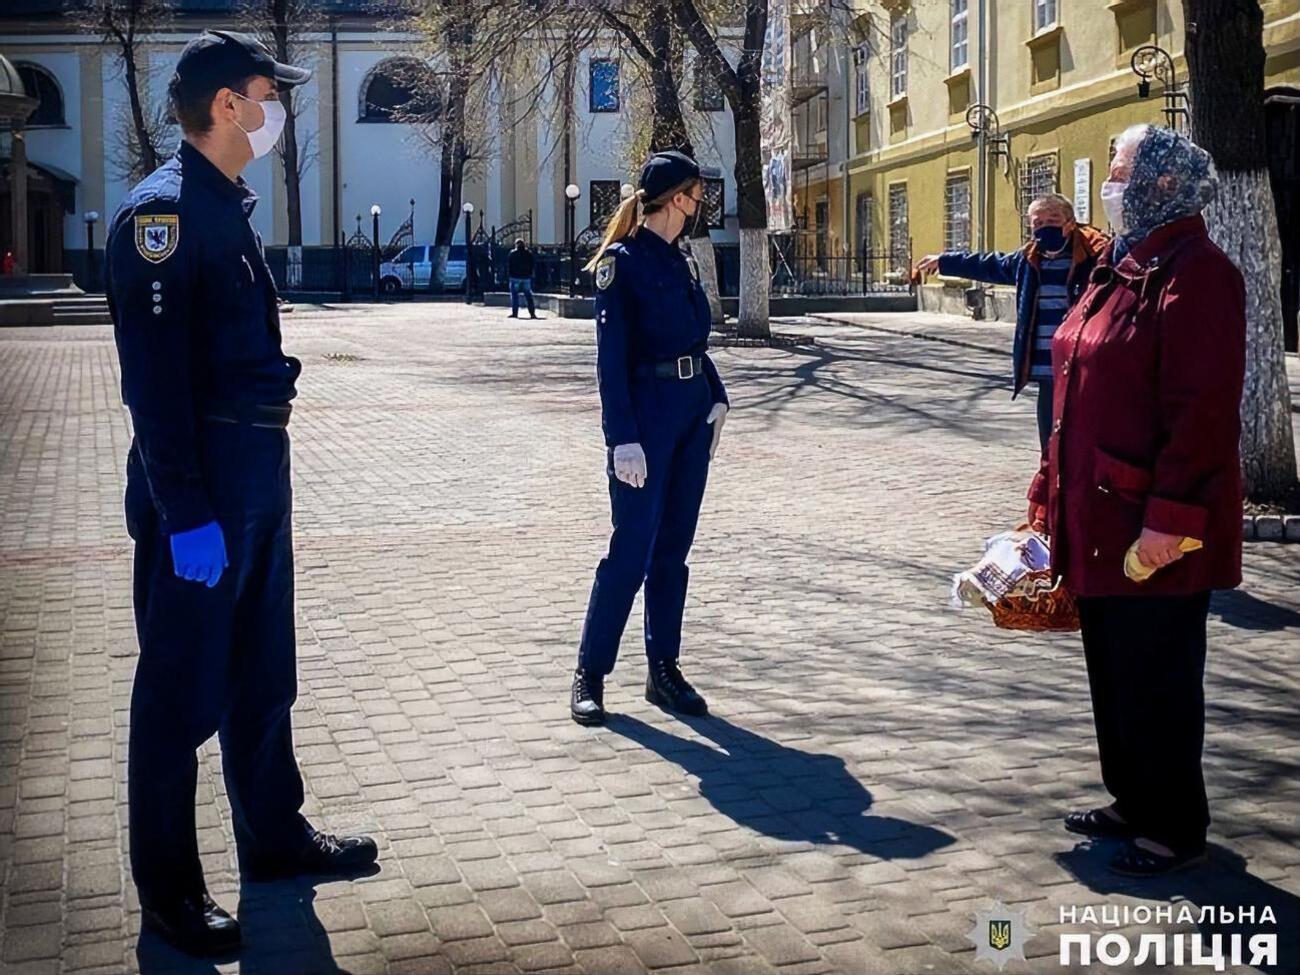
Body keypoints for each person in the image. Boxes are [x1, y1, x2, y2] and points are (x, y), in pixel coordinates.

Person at [105, 30, 377, 955]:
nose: (275, 111)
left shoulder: (225, 207)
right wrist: (184, 513)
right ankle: (170, 890)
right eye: (269, 93)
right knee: (179, 693)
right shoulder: (164, 217)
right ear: (228, 105)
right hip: (205, 488)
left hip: (257, 472)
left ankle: (272, 837)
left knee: (264, 673)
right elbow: (153, 386)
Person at [1025, 124, 1244, 877]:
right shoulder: (1124, 265)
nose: (1108, 186)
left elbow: (1202, 416)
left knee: (1159, 676)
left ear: (1157, 184)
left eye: (1119, 171)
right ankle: (1133, 797)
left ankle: (1175, 825)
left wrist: (1169, 523)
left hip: (1153, 528)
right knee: (1113, 669)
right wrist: (1047, 494)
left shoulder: (1198, 274)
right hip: (1098, 513)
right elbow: (1077, 385)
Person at [570, 150, 729, 726]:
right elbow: (610, 362)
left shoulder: (682, 260)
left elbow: (696, 340)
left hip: (690, 416)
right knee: (630, 550)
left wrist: (716, 396)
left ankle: (664, 668)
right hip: (647, 420)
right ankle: (591, 672)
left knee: (673, 552)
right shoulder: (624, 262)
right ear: (674, 198)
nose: (701, 203)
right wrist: (622, 439)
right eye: (695, 193)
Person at [916, 195, 1108, 452]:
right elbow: (988, 264)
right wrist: (944, 261)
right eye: (1038, 222)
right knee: (1051, 446)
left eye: (1053, 220)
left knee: (1086, 441)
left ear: (1070, 223)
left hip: (1082, 365)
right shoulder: (1027, 260)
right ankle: (1052, 487)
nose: (1045, 227)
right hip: (1047, 368)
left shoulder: (1093, 257)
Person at [507, 238, 539, 319]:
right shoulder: (529, 253)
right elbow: (532, 265)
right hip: (526, 277)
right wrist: (531, 274)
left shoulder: (512, 253)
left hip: (515, 277)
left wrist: (510, 275)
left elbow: (509, 265)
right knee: (528, 296)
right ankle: (532, 313)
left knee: (514, 296)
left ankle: (515, 313)